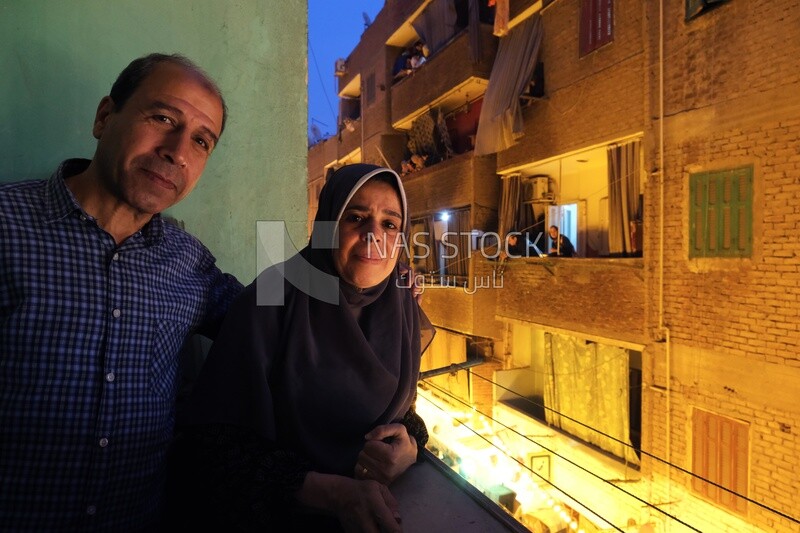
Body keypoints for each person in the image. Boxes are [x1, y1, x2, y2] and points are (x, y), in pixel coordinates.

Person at [0, 53, 243, 530]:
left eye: (200, 140)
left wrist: (382, 287)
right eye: (163, 118)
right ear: (105, 117)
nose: (177, 150)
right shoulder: (7, 225)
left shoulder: (190, 263)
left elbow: (283, 324)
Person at [174, 164, 435, 531]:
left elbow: (401, 415)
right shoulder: (270, 298)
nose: (374, 235)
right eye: (356, 217)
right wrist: (329, 493)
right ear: (327, 227)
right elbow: (214, 443)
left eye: (390, 224)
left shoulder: (400, 304)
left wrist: (411, 447)